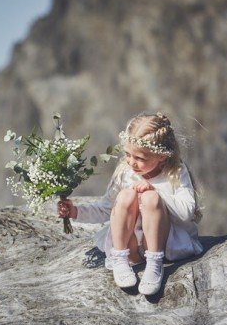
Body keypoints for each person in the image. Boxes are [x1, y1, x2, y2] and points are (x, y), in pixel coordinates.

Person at [57, 111, 202, 296]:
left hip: (162, 245)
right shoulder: (125, 172)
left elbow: (186, 212)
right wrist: (75, 212)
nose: (131, 162)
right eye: (127, 154)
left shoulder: (175, 172)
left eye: (140, 158)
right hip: (130, 246)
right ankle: (120, 259)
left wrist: (154, 189)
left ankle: (154, 264)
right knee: (126, 196)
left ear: (162, 156)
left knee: (151, 198)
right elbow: (106, 209)